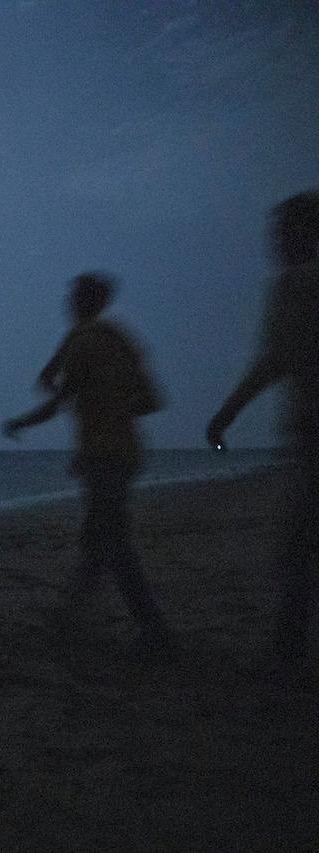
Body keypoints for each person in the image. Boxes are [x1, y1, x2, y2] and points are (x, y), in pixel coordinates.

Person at [3, 272, 170, 651]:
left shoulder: (84, 343)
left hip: (104, 455)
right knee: (97, 540)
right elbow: (150, 400)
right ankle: (71, 618)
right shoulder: (118, 340)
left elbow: (55, 398)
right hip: (124, 453)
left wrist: (22, 422)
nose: (68, 302)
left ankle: (153, 630)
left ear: (81, 302)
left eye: (73, 296)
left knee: (113, 543)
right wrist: (110, 405)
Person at [207, 190, 319, 668]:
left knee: (294, 547)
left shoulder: (294, 283)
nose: (274, 242)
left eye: (282, 232)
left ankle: (287, 655)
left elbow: (273, 360)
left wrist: (226, 413)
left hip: (310, 432)